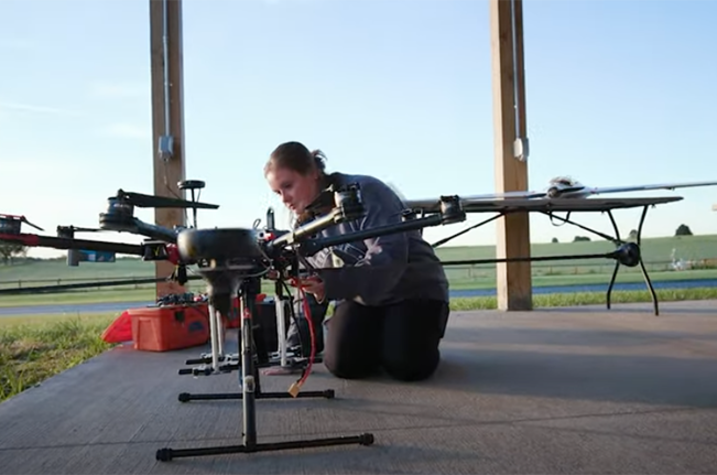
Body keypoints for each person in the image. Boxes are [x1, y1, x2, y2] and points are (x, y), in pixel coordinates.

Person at [264, 141, 450, 382]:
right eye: (278, 192)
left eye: (288, 186)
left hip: (412, 290)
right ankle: (384, 338)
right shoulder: (303, 223)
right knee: (342, 364)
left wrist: (330, 285)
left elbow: (389, 259)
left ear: (313, 173)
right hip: (362, 297)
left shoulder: (367, 191)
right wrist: (294, 353)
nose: (284, 200)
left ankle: (413, 334)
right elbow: (309, 286)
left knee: (407, 366)